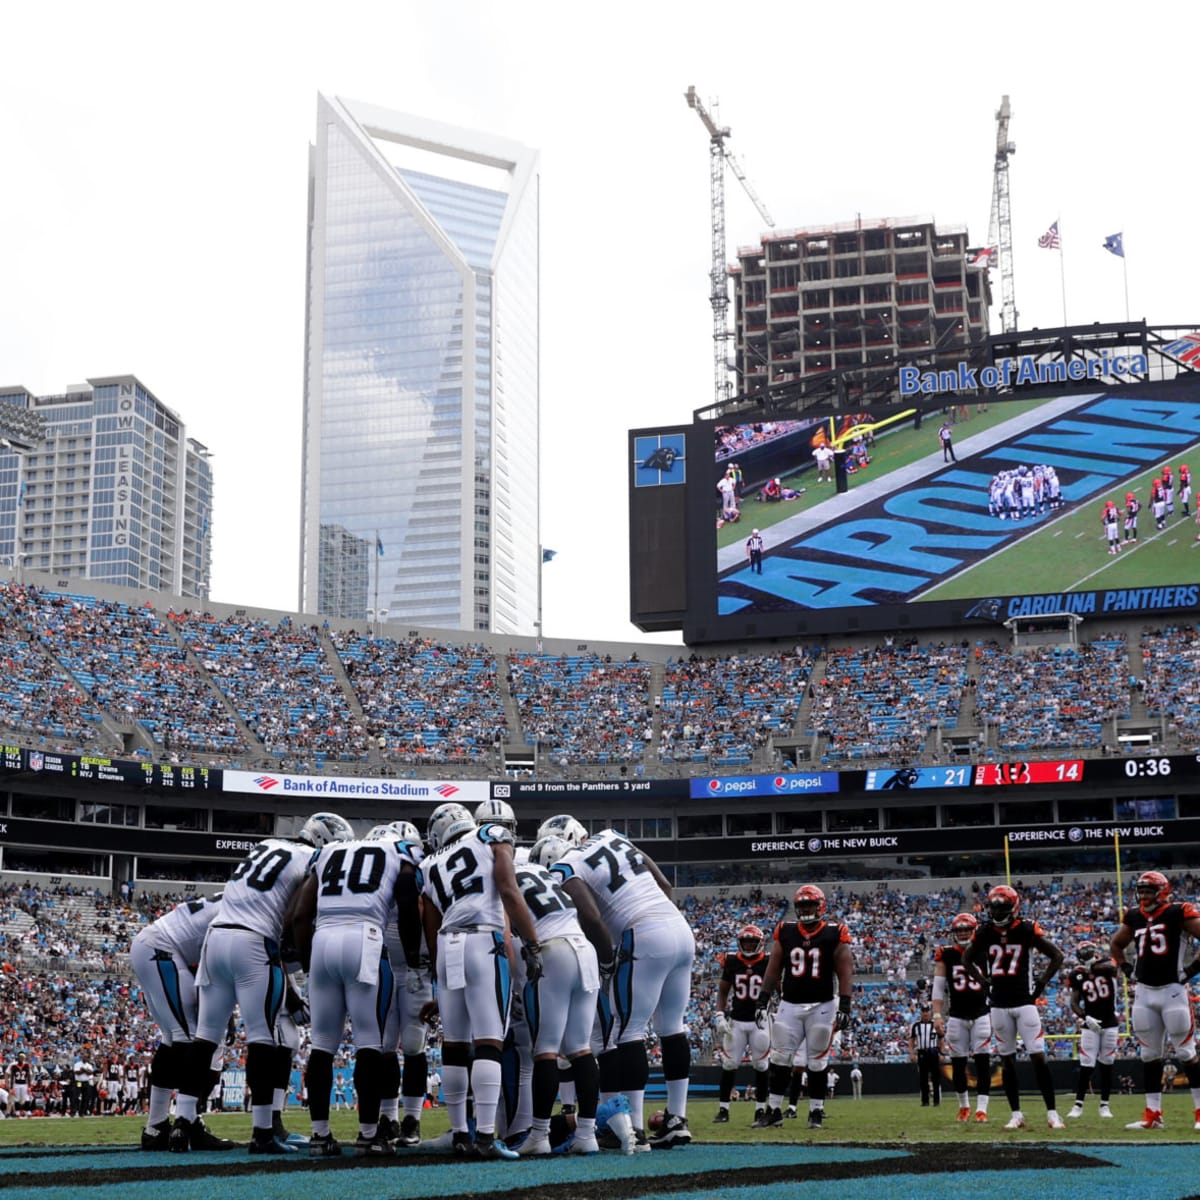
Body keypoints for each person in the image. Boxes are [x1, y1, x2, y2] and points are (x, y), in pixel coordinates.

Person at [170, 812, 355, 1155]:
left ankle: (182, 1124)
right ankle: (263, 1131)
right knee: (263, 1036)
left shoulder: (265, 845)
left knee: (205, 1036)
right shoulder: (311, 858)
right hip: (253, 942)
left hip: (216, 938)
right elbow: (295, 915)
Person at [551, 824, 695, 1149]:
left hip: (642, 931)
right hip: (678, 927)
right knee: (672, 1027)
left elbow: (590, 916)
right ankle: (677, 1119)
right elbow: (664, 884)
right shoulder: (615, 837)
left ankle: (635, 1129)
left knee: (626, 1033)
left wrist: (605, 960)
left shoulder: (569, 862)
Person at [287, 819, 421, 1158]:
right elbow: (407, 899)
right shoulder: (399, 849)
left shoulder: (329, 851)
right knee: (369, 1042)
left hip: (323, 940)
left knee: (321, 1046)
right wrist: (414, 956)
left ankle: (319, 1135)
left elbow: (301, 914)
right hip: (365, 938)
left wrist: (307, 963)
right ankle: (369, 1135)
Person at [417, 800, 543, 1160]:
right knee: (489, 1040)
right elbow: (508, 889)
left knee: (455, 1044)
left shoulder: (428, 865)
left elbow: (429, 919)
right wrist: (531, 943)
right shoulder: (489, 833)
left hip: (446, 943)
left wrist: (437, 969)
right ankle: (486, 1136)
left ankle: (460, 1133)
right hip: (483, 938)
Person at [512, 836, 606, 1156]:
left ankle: (538, 1136)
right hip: (585, 950)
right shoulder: (544, 876)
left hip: (554, 950)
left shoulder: (507, 876)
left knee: (546, 1050)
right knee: (581, 1049)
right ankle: (586, 1134)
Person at [961, 884, 1065, 1130]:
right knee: (1007, 1061)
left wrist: (1040, 983)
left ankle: (1052, 1113)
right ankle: (1016, 1114)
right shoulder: (985, 931)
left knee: (1038, 1057)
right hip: (998, 1005)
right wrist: (983, 982)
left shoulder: (1026, 929)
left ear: (1013, 908)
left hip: (1023, 1002)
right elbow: (966, 958)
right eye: (994, 907)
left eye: (1001, 908)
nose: (996, 912)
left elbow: (1057, 955)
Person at [129, 892, 224, 1149]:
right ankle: (187, 1122)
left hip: (157, 946)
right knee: (191, 1039)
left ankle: (157, 1126)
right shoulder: (247, 907)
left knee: (173, 1039)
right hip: (162, 949)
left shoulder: (237, 898)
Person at [755, 884, 853, 1131]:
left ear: (820, 906)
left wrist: (845, 1004)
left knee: (817, 1062)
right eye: (802, 906)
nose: (806, 909)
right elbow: (774, 967)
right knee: (779, 1058)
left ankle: (816, 1111)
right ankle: (774, 1110)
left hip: (822, 1004)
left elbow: (844, 969)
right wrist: (763, 999)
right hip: (790, 1004)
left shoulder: (834, 931)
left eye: (810, 905)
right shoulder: (785, 930)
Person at [1110, 870, 1200, 1131]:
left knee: (1186, 1052)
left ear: (1162, 892)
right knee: (1149, 1055)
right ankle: (1153, 1115)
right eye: (1142, 891)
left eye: (1149, 891)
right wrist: (1126, 969)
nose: (1144, 896)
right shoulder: (1135, 916)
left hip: (1172, 990)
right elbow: (1116, 944)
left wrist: (1191, 971)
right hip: (1145, 993)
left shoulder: (1178, 912)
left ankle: (1198, 1113)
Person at [931, 912, 992, 1123]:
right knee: (958, 1064)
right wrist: (937, 1014)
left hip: (982, 1013)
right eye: (960, 930)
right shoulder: (946, 954)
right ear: (954, 933)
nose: (963, 933)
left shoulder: (985, 951)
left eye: (967, 929)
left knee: (983, 1062)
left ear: (974, 930)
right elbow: (938, 988)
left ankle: (982, 1109)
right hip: (957, 1015)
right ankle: (964, 1106)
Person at [713, 925, 770, 1124]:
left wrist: (776, 1011)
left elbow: (780, 988)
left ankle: (760, 1110)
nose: (747, 945)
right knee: (729, 1065)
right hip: (736, 1020)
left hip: (759, 1022)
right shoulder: (731, 961)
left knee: (762, 1065)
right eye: (745, 942)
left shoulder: (767, 961)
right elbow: (723, 991)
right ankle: (723, 1110)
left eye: (751, 942)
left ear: (760, 943)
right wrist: (720, 1014)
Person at [1064, 941, 1118, 1119]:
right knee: (1086, 1066)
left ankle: (1105, 1105)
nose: (1089, 955)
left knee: (1107, 1065)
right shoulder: (1077, 975)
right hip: (1091, 1024)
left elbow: (1112, 967)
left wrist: (1092, 967)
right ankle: (1078, 1105)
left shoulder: (1106, 965)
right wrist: (1085, 1017)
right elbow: (1074, 1002)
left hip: (1110, 1022)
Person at [909, 1007, 941, 1107]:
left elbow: (941, 1038)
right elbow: (911, 1040)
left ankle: (936, 1101)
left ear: (930, 1013)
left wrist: (941, 1052)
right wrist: (912, 1053)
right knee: (923, 1078)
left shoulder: (935, 1024)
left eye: (927, 1011)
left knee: (936, 1078)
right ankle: (925, 1101)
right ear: (921, 1013)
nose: (926, 1014)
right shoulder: (916, 1025)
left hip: (933, 1051)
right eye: (923, 1011)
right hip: (922, 1051)